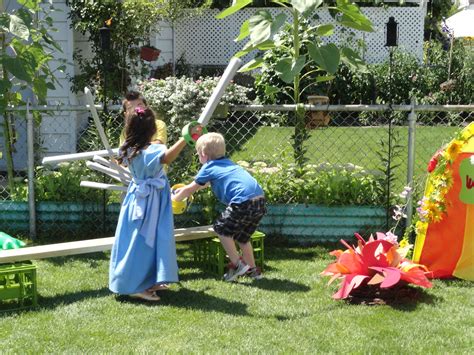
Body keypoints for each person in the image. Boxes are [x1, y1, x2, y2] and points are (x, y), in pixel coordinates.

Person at [109, 106, 190, 301]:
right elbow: (168, 157)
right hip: (151, 201)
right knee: (147, 239)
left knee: (139, 239)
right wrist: (186, 139)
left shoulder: (128, 150)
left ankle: (149, 280)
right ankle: (135, 285)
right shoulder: (152, 150)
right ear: (152, 128)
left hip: (136, 199)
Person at [172, 132, 266, 282]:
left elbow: (189, 189)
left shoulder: (209, 167)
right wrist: (189, 189)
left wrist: (173, 199)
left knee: (220, 229)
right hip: (259, 201)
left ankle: (238, 265)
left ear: (203, 154)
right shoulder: (228, 163)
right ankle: (254, 271)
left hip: (242, 201)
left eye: (198, 155)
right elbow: (207, 183)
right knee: (242, 238)